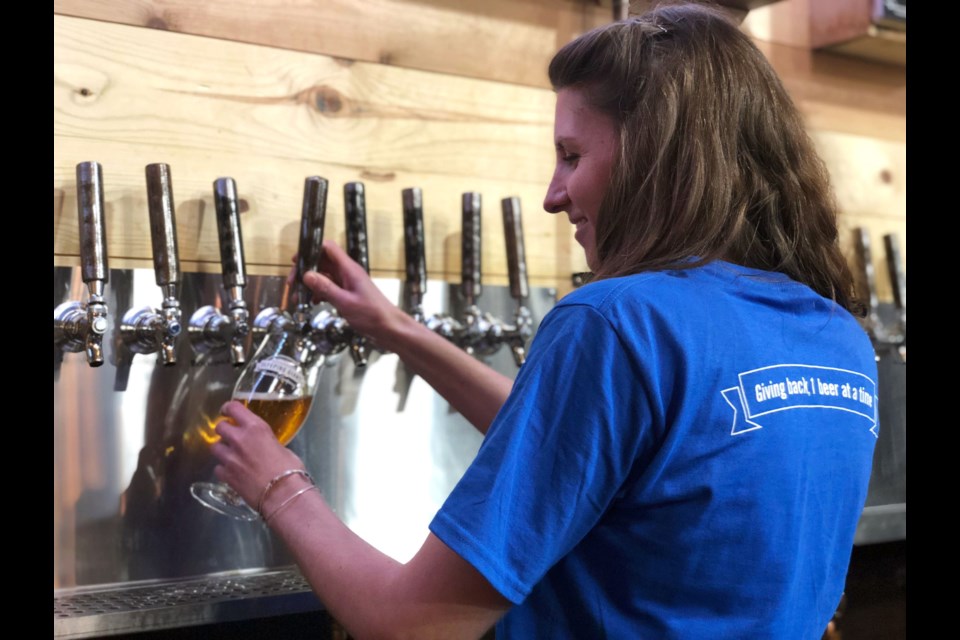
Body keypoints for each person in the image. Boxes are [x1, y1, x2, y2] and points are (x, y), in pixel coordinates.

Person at [209, 2, 878, 637]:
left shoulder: (616, 322)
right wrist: (399, 331)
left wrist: (278, 485)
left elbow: (411, 622)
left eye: (571, 156)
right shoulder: (836, 336)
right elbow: (595, 451)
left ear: (654, 155)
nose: (553, 196)